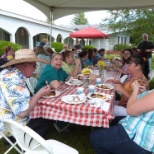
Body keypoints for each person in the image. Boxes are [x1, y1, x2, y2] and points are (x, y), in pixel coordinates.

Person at [90, 80, 154, 154]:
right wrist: (144, 93)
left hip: (139, 139)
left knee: (94, 137)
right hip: (138, 125)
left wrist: (135, 90)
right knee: (110, 120)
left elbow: (130, 110)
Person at [0, 49, 53, 138]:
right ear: (24, 65)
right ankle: (26, 145)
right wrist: (39, 94)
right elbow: (22, 113)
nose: (36, 68)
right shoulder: (14, 81)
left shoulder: (9, 73)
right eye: (34, 65)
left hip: (5, 117)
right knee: (48, 118)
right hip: (11, 125)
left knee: (41, 112)